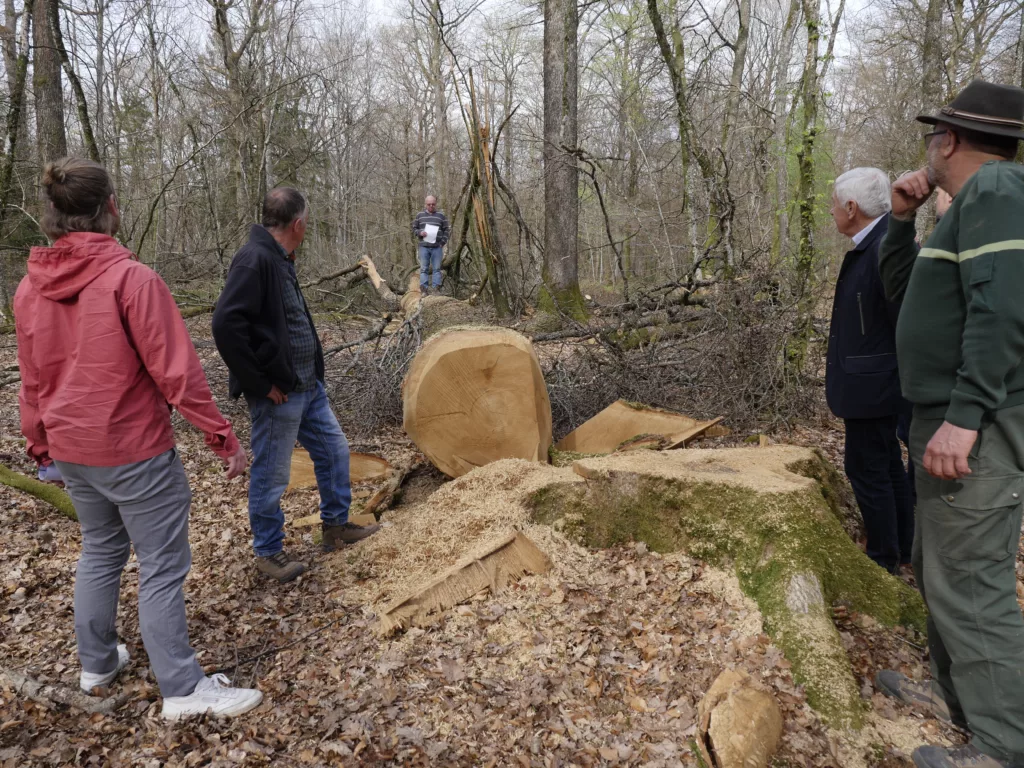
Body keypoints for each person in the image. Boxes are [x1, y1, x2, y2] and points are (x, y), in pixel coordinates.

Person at [14, 157, 262, 720]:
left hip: (73, 450)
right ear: (111, 210)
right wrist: (223, 438)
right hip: (132, 450)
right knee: (161, 565)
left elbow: (33, 380)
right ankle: (182, 688)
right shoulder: (133, 279)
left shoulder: (31, 288)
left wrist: (41, 445)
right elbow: (177, 371)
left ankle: (97, 662)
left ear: (54, 216)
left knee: (100, 551)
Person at [875, 79, 1024, 768]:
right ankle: (953, 699)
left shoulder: (995, 193)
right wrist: (902, 221)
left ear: (951, 140)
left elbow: (1003, 316)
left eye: (932, 134)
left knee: (971, 579)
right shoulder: (966, 209)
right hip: (944, 418)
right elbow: (908, 300)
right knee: (939, 568)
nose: (927, 146)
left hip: (977, 428)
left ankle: (1004, 745)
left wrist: (964, 419)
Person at [212, 187, 379, 584]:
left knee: (335, 451)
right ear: (298, 224)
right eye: (307, 221)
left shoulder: (280, 257)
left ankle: (336, 526)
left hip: (308, 387)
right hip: (279, 394)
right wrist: (259, 382)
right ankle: (268, 553)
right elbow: (224, 325)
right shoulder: (253, 260)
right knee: (271, 474)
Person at [826, 168, 914, 573]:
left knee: (867, 469)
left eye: (833, 205)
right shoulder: (875, 243)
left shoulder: (885, 248)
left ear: (851, 207)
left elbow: (904, 322)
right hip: (875, 384)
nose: (831, 213)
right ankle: (902, 545)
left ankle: (883, 559)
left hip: (875, 386)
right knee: (886, 465)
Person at [411, 195, 449, 294]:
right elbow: (414, 229)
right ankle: (424, 289)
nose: (431, 206)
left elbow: (446, 230)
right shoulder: (419, 215)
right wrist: (420, 233)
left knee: (437, 269)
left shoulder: (441, 216)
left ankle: (436, 289)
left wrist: (442, 242)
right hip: (424, 246)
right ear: (425, 204)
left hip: (437, 247)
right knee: (424, 269)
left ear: (435, 204)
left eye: (433, 204)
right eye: (429, 204)